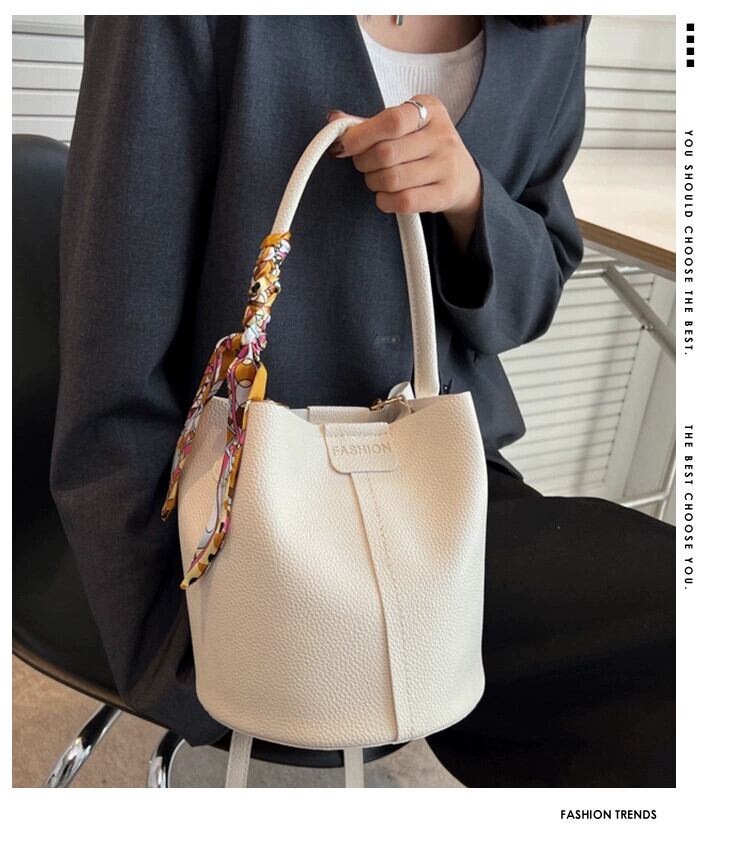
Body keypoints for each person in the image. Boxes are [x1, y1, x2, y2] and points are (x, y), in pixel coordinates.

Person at [50, 15, 675, 787]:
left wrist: (470, 201)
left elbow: (534, 286)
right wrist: (165, 637)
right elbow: (114, 335)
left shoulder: (548, 25)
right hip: (230, 506)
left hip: (435, 489)